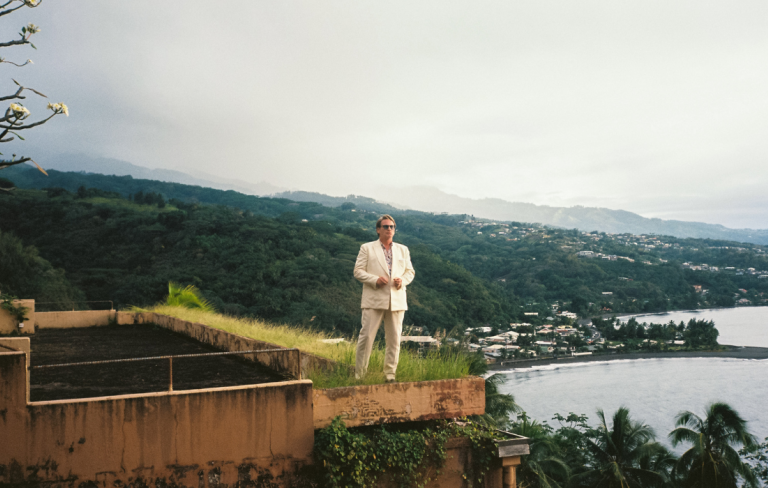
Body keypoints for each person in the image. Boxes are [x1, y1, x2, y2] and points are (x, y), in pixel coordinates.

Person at [353, 214, 415, 382]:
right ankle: (359, 375)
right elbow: (358, 271)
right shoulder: (367, 248)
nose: (389, 229)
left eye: (392, 227)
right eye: (386, 226)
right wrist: (374, 280)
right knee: (366, 338)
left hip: (397, 300)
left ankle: (390, 375)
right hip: (374, 299)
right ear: (378, 229)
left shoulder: (403, 249)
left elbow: (410, 272)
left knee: (394, 339)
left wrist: (402, 281)